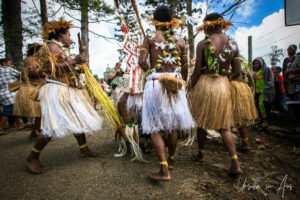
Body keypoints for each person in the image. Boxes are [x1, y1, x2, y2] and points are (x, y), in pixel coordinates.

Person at [24, 18, 102, 174]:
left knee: (77, 119)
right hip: (56, 90)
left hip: (64, 89)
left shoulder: (59, 49)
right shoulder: (52, 47)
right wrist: (74, 61)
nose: (71, 39)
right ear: (61, 36)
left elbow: (65, 69)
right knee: (52, 126)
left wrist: (78, 66)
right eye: (69, 35)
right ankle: (32, 157)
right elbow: (50, 68)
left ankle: (84, 149)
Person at [138, 6, 195, 181]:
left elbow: (141, 61)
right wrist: (183, 81)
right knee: (172, 126)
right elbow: (184, 66)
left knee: (154, 127)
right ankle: (171, 160)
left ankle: (163, 169)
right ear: (172, 21)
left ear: (155, 20)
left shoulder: (149, 38)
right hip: (175, 84)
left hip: (155, 82)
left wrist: (150, 71)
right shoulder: (181, 41)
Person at [188, 13, 242, 176]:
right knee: (224, 127)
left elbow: (197, 71)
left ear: (207, 26)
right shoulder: (232, 43)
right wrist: (224, 79)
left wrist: (189, 86)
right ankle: (235, 163)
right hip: (222, 85)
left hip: (205, 84)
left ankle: (201, 154)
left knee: (201, 121)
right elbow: (238, 71)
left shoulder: (203, 43)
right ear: (221, 24)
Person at [13, 43, 46, 139]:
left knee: (40, 113)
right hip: (32, 88)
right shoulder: (30, 59)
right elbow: (31, 73)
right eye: (41, 50)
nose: (43, 52)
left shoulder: (36, 60)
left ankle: (35, 132)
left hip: (38, 87)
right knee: (41, 112)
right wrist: (44, 69)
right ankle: (39, 132)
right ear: (36, 50)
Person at [0, 59, 25, 135]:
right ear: (4, 63)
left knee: (12, 109)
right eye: (10, 63)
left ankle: (20, 125)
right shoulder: (9, 70)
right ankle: (0, 128)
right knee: (8, 111)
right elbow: (22, 75)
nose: (12, 65)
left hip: (2, 94)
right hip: (10, 93)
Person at [252, 57, 275, 128]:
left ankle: (265, 120)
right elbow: (254, 81)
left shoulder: (267, 69)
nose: (256, 65)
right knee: (257, 105)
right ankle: (260, 119)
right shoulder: (255, 72)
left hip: (264, 91)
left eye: (258, 63)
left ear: (261, 62)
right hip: (257, 91)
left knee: (262, 105)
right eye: (255, 63)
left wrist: (266, 88)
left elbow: (271, 80)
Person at [284, 42, 300, 128]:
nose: (289, 50)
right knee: (291, 107)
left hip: (296, 86)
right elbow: (284, 72)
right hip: (289, 86)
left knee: (297, 107)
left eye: (291, 48)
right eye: (288, 48)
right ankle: (292, 126)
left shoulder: (297, 58)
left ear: (295, 49)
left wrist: (293, 75)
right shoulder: (287, 60)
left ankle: (295, 126)